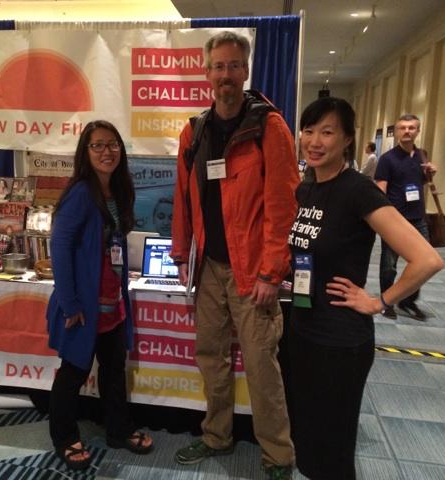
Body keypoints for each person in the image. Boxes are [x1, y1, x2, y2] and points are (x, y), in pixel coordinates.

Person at [287, 97, 443, 480]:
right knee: (306, 438)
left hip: (340, 341)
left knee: (333, 449)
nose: (315, 140)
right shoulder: (307, 188)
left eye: (327, 132)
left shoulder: (357, 189)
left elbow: (426, 259)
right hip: (302, 330)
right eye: (309, 131)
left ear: (347, 140)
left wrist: (379, 301)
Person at [171, 31, 298, 479]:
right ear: (207, 74)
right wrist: (180, 250)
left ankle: (278, 454)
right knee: (212, 357)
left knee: (262, 365)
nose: (225, 75)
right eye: (217, 67)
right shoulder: (195, 130)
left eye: (233, 66)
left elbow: (283, 207)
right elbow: (184, 198)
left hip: (253, 274)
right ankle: (216, 437)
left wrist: (271, 272)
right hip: (209, 269)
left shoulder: (269, 127)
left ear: (245, 72)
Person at [46, 120, 153, 471]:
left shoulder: (118, 191)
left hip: (113, 304)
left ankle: (118, 430)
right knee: (73, 372)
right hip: (84, 306)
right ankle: (64, 437)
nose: (107, 152)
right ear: (86, 152)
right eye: (98, 146)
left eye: (113, 145)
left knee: (113, 371)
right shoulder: (80, 192)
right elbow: (59, 246)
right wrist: (71, 303)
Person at [374, 114, 438, 320]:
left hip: (418, 218)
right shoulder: (387, 159)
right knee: (389, 265)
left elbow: (421, 183)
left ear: (418, 131)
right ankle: (387, 302)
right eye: (402, 128)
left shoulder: (422, 156)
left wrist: (431, 174)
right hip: (395, 220)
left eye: (411, 128)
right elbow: (380, 190)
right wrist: (383, 220)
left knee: (423, 262)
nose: (407, 131)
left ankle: (408, 301)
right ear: (397, 132)